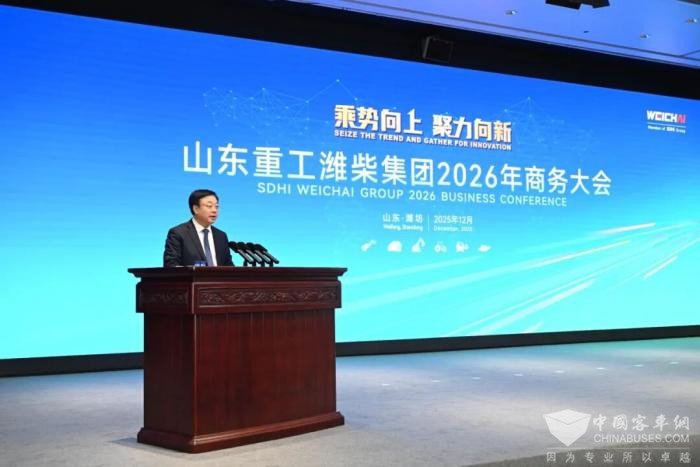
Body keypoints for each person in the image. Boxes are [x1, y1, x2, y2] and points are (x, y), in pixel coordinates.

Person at [163, 189, 234, 267]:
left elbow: (229, 265)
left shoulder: (221, 236)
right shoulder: (178, 233)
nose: (214, 210)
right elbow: (171, 264)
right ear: (196, 209)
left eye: (216, 206)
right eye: (209, 206)